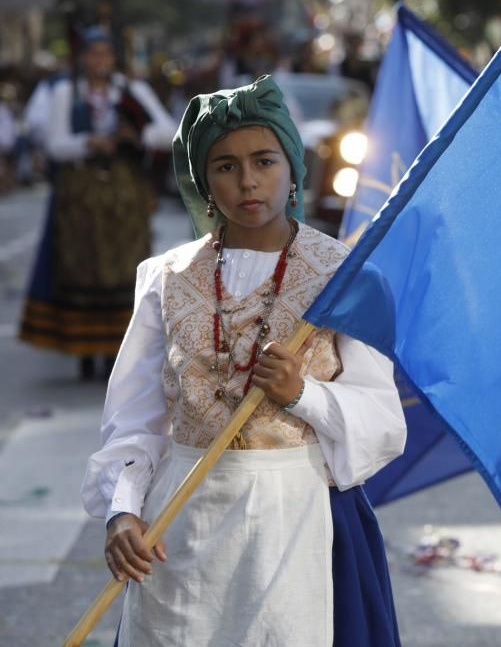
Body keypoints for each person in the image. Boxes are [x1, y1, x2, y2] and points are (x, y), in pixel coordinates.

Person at [80, 75, 407, 645]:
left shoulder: (346, 278)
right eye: (225, 166)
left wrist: (304, 394)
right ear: (203, 180)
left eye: (264, 160)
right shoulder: (165, 278)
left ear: (294, 167)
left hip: (297, 519)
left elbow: (384, 422)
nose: (248, 181)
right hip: (181, 526)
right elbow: (134, 420)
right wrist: (122, 511)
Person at [18, 27, 175, 379]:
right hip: (81, 196)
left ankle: (118, 350)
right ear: (82, 58)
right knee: (81, 266)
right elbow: (55, 143)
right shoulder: (65, 92)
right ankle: (85, 352)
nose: (99, 61)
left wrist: (133, 136)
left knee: (124, 269)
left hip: (123, 198)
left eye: (106, 54)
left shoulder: (131, 90)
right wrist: (88, 143)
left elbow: (167, 131)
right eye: (93, 54)